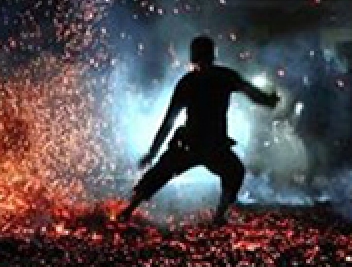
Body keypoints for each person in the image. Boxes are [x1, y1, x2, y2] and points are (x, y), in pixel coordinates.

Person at [120, 35, 279, 226]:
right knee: (233, 172)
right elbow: (252, 93)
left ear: (193, 56)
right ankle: (219, 216)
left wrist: (152, 152)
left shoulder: (190, 81)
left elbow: (168, 122)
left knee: (161, 173)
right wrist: (268, 100)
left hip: (193, 143)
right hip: (209, 144)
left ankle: (128, 210)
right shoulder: (222, 77)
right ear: (213, 54)